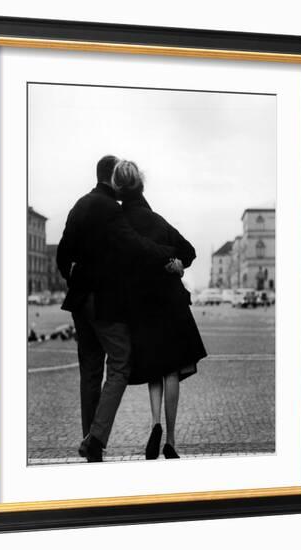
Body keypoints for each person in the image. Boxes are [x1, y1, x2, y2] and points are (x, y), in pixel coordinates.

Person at [57, 155, 181, 462]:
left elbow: (63, 253)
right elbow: (135, 245)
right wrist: (168, 253)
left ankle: (90, 443)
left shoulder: (79, 205)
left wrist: (75, 278)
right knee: (121, 362)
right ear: (114, 176)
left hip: (79, 299)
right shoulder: (111, 209)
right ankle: (97, 437)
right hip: (103, 300)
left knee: (89, 370)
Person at [112, 160, 207, 459]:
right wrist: (178, 263)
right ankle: (172, 440)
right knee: (172, 371)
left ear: (117, 186)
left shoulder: (118, 221)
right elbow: (189, 250)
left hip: (140, 305)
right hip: (170, 301)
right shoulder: (156, 220)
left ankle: (154, 424)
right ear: (141, 184)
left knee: (154, 368)